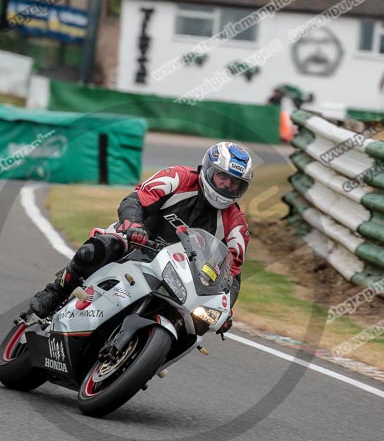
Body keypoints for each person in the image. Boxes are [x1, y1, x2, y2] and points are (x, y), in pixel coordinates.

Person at [30, 141, 253, 333]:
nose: (227, 185)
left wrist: (226, 309)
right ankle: (55, 292)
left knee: (197, 324)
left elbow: (231, 275)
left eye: (235, 183)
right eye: (223, 176)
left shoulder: (236, 226)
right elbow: (134, 199)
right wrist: (134, 226)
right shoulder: (178, 177)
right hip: (140, 241)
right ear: (207, 169)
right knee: (99, 248)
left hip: (182, 275)